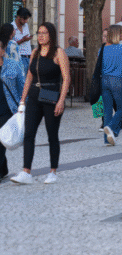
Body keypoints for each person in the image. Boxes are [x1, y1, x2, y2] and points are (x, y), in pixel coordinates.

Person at [11, 22, 71, 185]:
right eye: (39, 33)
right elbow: (29, 78)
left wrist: (61, 100)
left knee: (52, 134)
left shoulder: (59, 52)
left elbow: (66, 79)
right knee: (29, 134)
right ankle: (26, 171)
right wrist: (22, 100)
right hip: (34, 96)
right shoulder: (35, 52)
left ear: (51, 34)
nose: (41, 36)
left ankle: (53, 171)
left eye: (45, 33)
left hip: (51, 95)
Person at [100, 25, 122, 146]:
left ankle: (106, 139)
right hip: (118, 80)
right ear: (116, 34)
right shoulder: (121, 48)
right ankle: (111, 128)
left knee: (107, 111)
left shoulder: (102, 49)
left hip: (104, 80)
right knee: (121, 109)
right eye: (121, 33)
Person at [0, 39, 25, 180]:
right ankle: (3, 169)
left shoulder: (13, 65)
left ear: (3, 50)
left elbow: (22, 87)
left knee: (1, 140)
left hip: (7, 110)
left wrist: (23, 106)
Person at [12, 7, 32, 73]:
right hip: (19, 57)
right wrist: (23, 40)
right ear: (18, 17)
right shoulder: (12, 27)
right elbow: (10, 44)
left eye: (27, 19)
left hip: (28, 56)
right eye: (25, 19)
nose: (26, 21)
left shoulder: (25, 25)